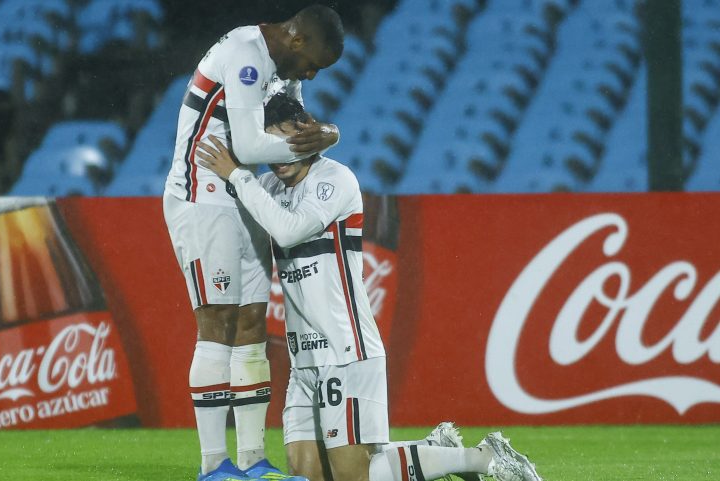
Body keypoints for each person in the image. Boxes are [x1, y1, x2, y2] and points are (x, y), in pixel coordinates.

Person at [195, 94, 544, 481]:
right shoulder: (268, 187)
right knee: (309, 478)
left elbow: (288, 230)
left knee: (353, 478)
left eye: (285, 143)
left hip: (346, 351)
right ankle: (436, 451)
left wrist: (238, 175)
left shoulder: (334, 179)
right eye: (268, 146)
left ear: (305, 133)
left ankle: (483, 458)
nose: (277, 158)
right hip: (303, 362)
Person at [162, 5, 345, 481]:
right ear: (298, 40)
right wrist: (328, 137)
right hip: (202, 196)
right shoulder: (246, 55)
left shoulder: (283, 74)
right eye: (313, 65)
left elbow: (286, 129)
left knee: (250, 327)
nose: (309, 75)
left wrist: (316, 132)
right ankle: (212, 465)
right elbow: (245, 146)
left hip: (244, 195)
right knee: (217, 322)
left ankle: (250, 461)